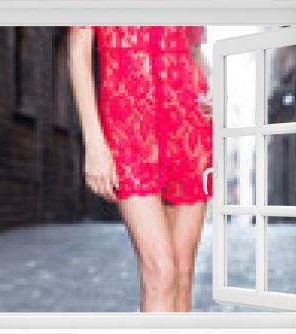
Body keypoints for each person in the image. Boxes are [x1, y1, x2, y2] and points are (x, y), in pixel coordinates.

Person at [68, 25, 213, 312]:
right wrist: (94, 143)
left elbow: (194, 50)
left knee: (183, 277)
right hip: (128, 130)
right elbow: (78, 49)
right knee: (161, 272)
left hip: (189, 127)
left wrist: (212, 90)